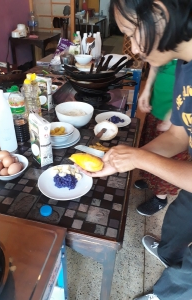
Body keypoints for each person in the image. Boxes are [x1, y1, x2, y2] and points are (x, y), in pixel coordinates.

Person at [76, 0, 192, 299]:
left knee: (187, 275)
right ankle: (169, 254)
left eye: (130, 30)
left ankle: (171, 293)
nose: (132, 46)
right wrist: (125, 162)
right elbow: (178, 136)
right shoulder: (184, 64)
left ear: (160, 12)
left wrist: (141, 157)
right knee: (181, 218)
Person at [135, 62, 190, 216]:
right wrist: (147, 90)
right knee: (151, 144)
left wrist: (176, 112)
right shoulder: (166, 45)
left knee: (169, 158)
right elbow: (155, 63)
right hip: (158, 104)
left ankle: (161, 197)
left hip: (177, 115)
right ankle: (149, 179)